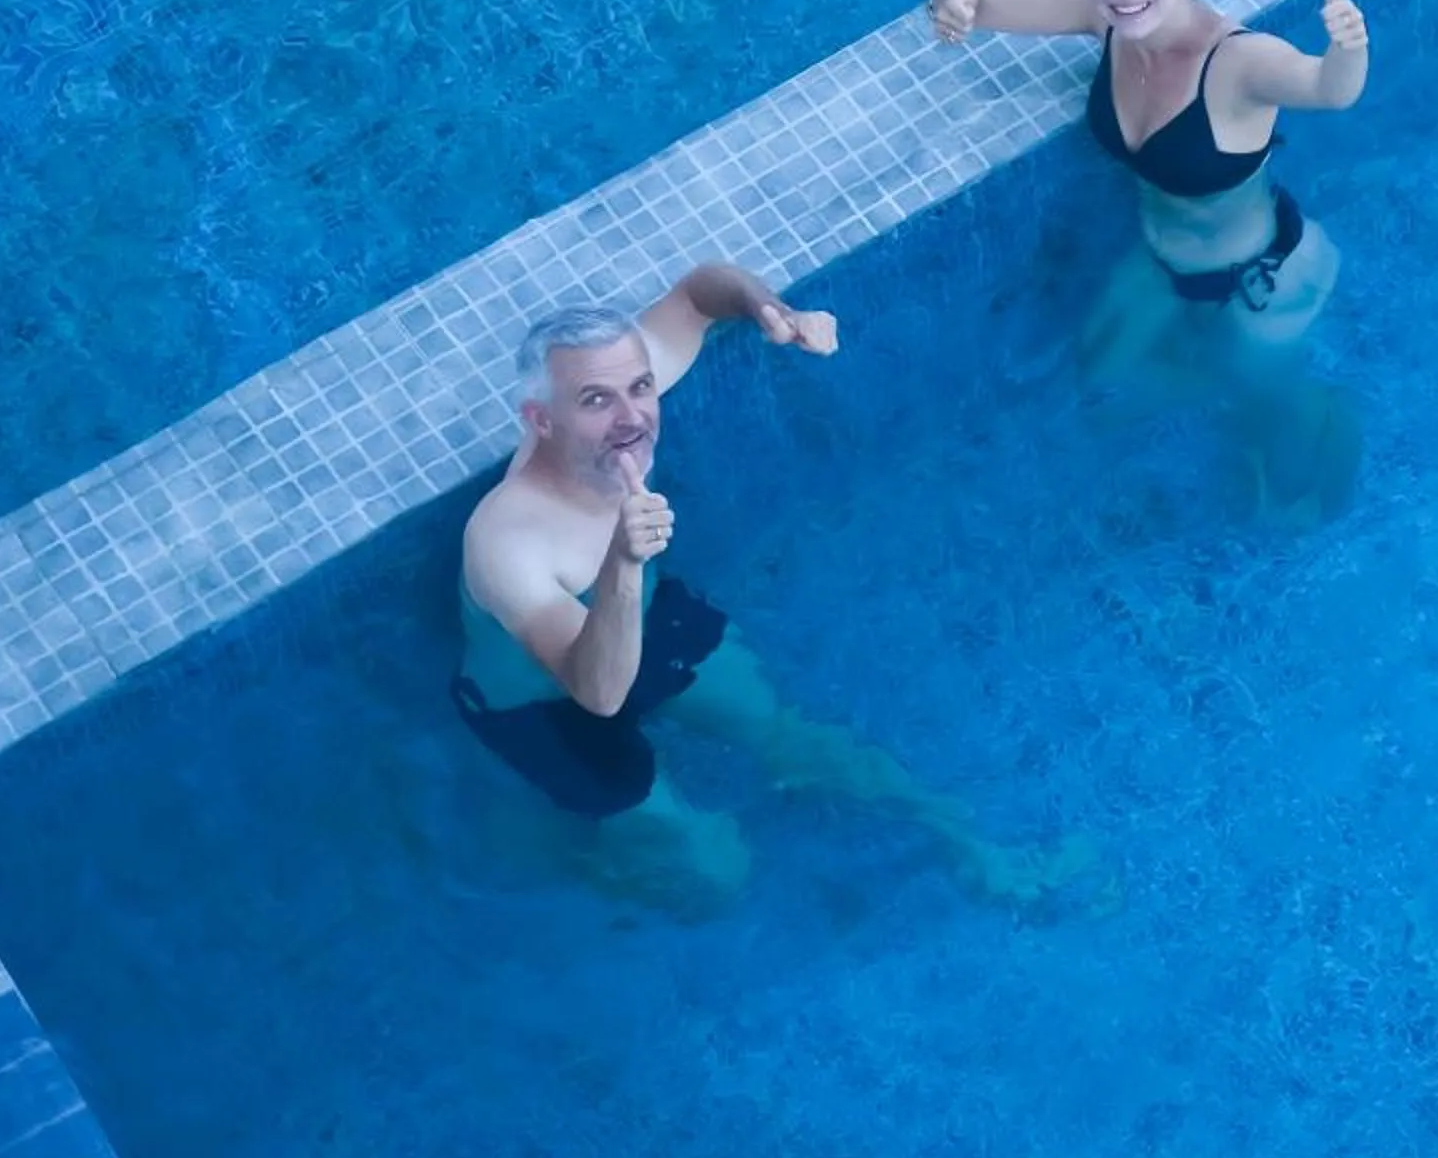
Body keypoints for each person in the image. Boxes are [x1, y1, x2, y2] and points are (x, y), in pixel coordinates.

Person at [454, 261, 1094, 914]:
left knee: (796, 738)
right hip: (546, 703)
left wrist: (771, 313)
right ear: (541, 420)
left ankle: (973, 843)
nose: (631, 419)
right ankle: (577, 851)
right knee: (716, 874)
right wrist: (622, 560)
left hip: (640, 620)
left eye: (641, 388)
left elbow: (699, 293)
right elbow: (596, 691)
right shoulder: (507, 543)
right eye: (596, 401)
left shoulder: (619, 400)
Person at [926, 0, 1367, 520]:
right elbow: (985, 3)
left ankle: (1322, 437)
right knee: (1098, 384)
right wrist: (952, 2)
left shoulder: (1239, 62)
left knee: (1266, 410)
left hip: (1260, 284)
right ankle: (1203, 372)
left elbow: (1330, 89)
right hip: (1160, 261)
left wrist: (1349, 47)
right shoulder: (1106, 17)